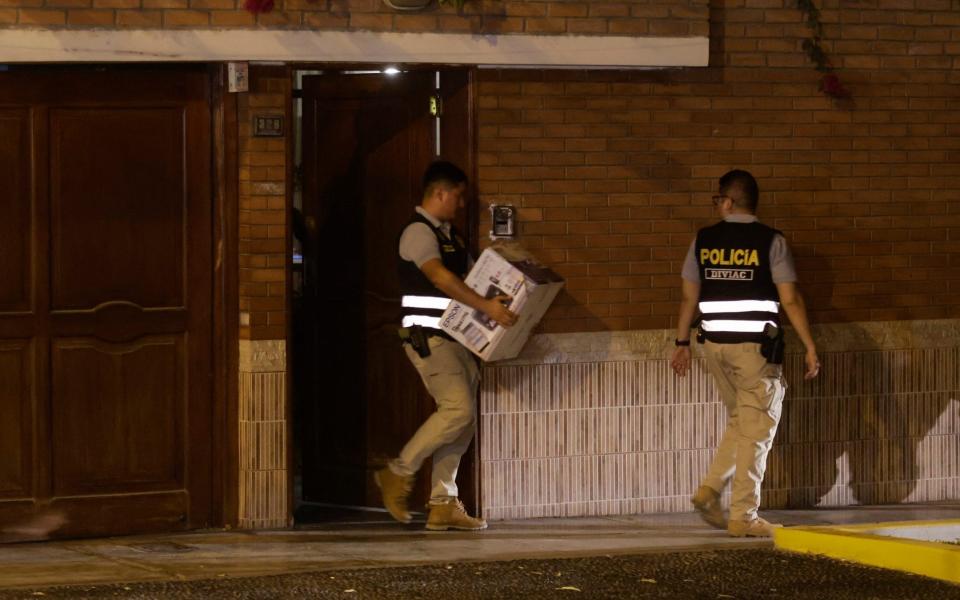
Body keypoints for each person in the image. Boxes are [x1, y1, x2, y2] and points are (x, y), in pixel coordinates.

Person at [670, 169, 820, 538]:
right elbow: (790, 298)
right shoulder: (771, 241)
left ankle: (709, 491)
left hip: (714, 346)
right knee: (758, 431)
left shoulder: (703, 240)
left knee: (742, 421)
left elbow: (690, 296)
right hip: (754, 351)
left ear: (728, 201)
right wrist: (810, 345)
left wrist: (682, 343)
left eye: (717, 199)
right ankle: (744, 516)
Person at [375, 161, 517, 531]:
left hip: (457, 339)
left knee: (463, 421)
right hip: (429, 338)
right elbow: (438, 277)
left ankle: (442, 504)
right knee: (457, 410)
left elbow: (471, 278)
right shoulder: (418, 233)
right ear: (440, 193)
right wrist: (485, 305)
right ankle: (397, 472)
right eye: (458, 195)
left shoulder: (450, 235)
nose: (462, 202)